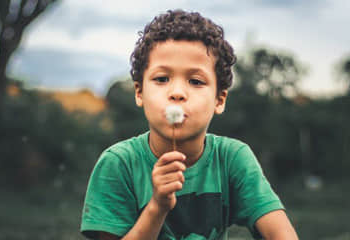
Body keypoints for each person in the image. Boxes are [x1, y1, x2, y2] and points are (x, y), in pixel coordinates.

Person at [80, 9, 298, 240]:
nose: (176, 93)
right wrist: (157, 207)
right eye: (162, 79)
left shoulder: (232, 158)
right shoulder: (118, 165)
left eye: (195, 81)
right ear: (140, 92)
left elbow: (281, 234)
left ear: (219, 99)